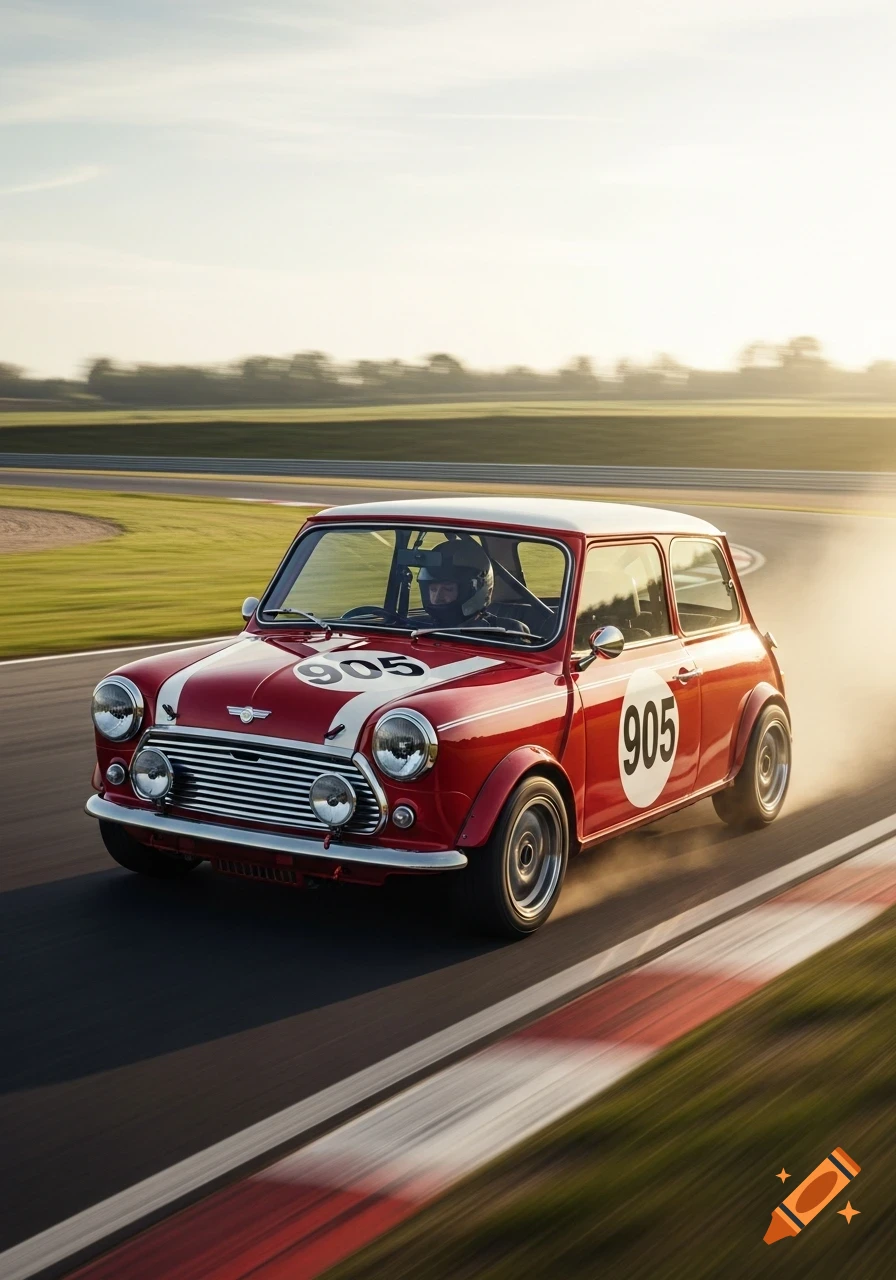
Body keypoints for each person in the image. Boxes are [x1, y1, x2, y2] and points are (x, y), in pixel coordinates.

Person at [418, 538, 529, 634]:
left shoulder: (507, 633)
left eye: (448, 589)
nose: (437, 598)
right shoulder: (418, 629)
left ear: (476, 592)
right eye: (433, 589)